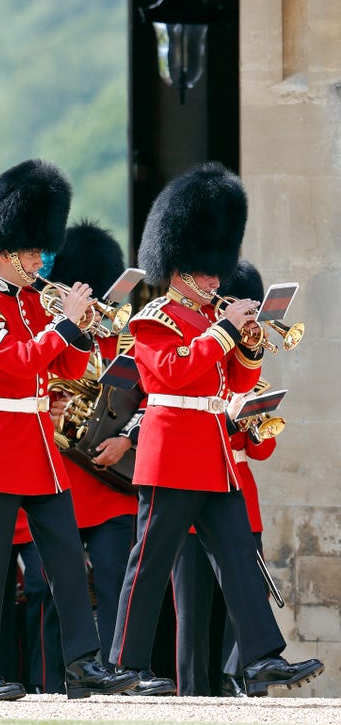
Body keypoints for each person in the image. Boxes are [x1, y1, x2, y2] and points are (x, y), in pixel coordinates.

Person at [110, 162, 323, 696]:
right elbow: (173, 372)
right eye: (208, 272)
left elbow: (237, 380)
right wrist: (226, 331)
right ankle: (125, 664)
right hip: (172, 452)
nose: (216, 280)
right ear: (181, 269)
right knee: (150, 563)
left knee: (239, 560)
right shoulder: (153, 317)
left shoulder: (212, 319)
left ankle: (261, 657)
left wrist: (248, 341)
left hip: (211, 457)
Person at [0, 159, 138, 702]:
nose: (40, 260)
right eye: (32, 252)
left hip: (38, 445)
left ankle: (82, 661)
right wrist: (63, 326)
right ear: (7, 252)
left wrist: (81, 329)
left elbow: (65, 369)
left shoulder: (36, 302)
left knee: (63, 557)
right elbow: (16, 362)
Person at [26, 222, 150, 693]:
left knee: (118, 587)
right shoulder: (55, 332)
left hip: (111, 484)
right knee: (48, 591)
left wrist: (127, 441)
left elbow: (149, 400)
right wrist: (52, 406)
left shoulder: (125, 338)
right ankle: (47, 685)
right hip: (58, 480)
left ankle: (119, 678)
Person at [168, 259, 282, 696]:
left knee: (245, 602)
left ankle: (246, 683)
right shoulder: (198, 351)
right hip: (193, 496)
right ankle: (193, 695)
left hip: (236, 497)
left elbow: (263, 448)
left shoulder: (242, 364)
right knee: (191, 614)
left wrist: (249, 418)